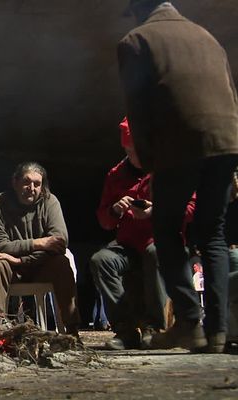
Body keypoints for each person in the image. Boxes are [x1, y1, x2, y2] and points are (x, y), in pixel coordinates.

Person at [119, 0, 238, 352]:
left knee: (166, 230)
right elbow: (229, 91)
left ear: (140, 9)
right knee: (213, 233)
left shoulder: (136, 40)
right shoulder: (206, 35)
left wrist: (149, 160)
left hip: (180, 141)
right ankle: (217, 331)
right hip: (227, 140)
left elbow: (137, 105)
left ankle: (188, 322)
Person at [90, 117, 194, 349]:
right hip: (127, 245)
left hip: (163, 242)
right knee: (101, 260)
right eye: (131, 151)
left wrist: (155, 212)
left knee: (154, 252)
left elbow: (191, 208)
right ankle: (125, 329)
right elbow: (104, 221)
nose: (137, 157)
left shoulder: (169, 168)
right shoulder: (115, 175)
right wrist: (115, 210)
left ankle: (153, 327)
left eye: (141, 151)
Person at [0, 161, 81, 335]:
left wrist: (22, 260)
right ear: (15, 182)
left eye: (37, 184)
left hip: (40, 265)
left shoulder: (50, 201)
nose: (32, 188)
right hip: (11, 268)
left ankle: (72, 329)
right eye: (26, 182)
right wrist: (39, 243)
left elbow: (59, 242)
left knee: (62, 262)